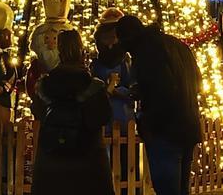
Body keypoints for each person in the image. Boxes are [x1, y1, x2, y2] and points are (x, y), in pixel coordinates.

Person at [115, 15, 201, 195]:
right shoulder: (176, 45)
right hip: (188, 126)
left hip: (165, 131)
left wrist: (146, 121)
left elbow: (163, 90)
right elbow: (196, 81)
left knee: (168, 188)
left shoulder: (147, 52)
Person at [32, 30, 113, 195]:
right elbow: (103, 116)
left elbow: (39, 112)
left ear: (59, 51)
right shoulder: (93, 86)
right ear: (81, 50)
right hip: (87, 163)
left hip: (52, 162)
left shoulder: (45, 85)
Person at [90, 11, 134, 128]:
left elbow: (131, 88)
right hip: (103, 114)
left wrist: (117, 90)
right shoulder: (96, 64)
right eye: (105, 38)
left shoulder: (125, 63)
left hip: (122, 114)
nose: (110, 44)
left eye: (113, 38)